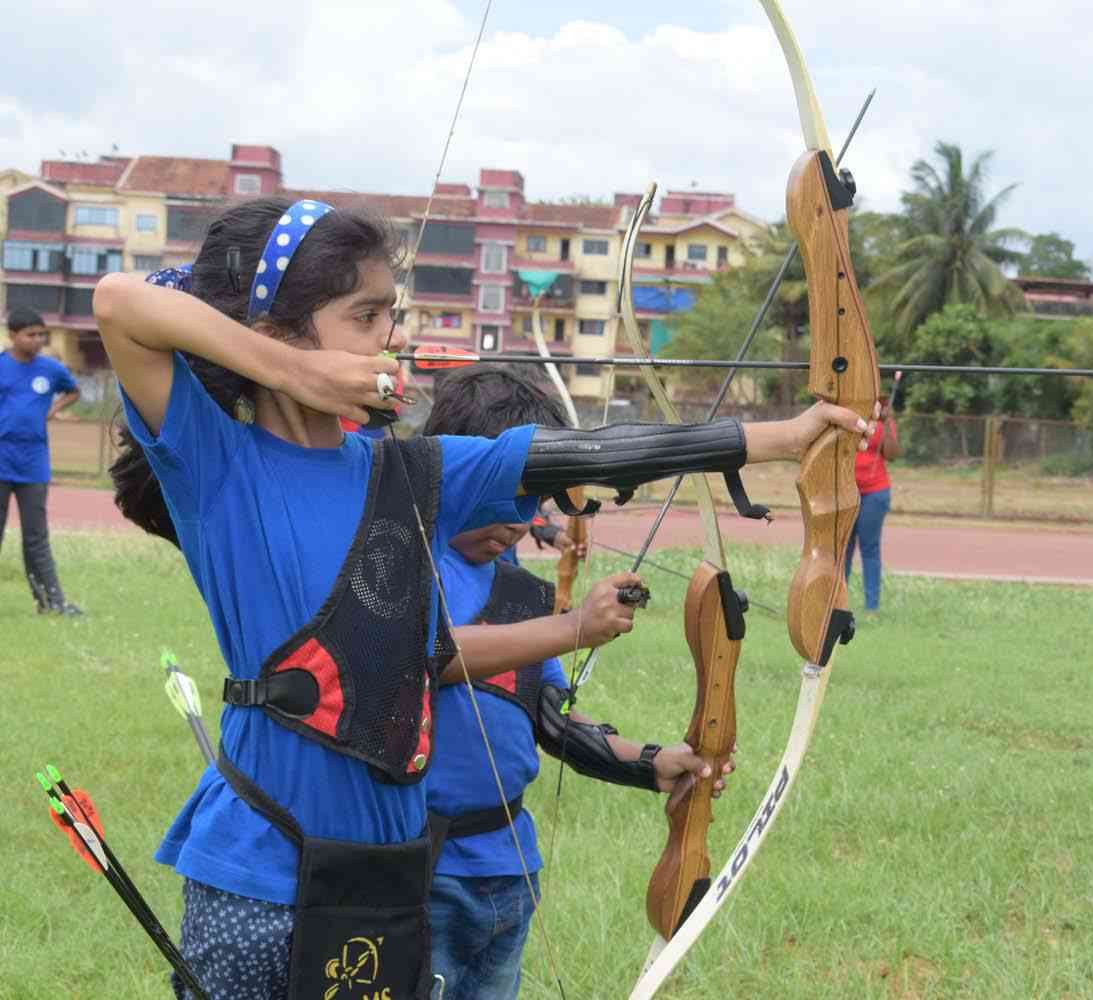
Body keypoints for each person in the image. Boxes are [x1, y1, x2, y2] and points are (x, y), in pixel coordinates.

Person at [94, 195, 871, 999]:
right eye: (365, 316)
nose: (390, 339)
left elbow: (586, 452)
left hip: (393, 881)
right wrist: (291, 371)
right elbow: (120, 305)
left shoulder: (416, 471)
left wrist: (780, 439)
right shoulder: (218, 463)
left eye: (392, 316)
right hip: (259, 876)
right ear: (283, 329)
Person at [418, 364, 731, 1000]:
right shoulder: (409, 565)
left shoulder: (519, 593)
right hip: (419, 874)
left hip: (508, 870)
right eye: (508, 493)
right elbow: (434, 655)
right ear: (455, 470)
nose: (521, 517)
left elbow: (553, 718)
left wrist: (653, 763)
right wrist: (575, 627)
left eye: (535, 496)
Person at [1, 307, 83, 615]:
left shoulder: (50, 369)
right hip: (1, 461)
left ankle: (52, 603)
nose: (37, 340)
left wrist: (52, 410)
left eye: (41, 334)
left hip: (33, 465)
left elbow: (73, 391)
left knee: (36, 538)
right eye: (30, 334)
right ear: (13, 335)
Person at [844, 388, 900, 618]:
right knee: (843, 550)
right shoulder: (847, 417)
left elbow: (893, 454)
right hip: (845, 492)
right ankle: (839, 605)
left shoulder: (883, 421)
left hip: (875, 494)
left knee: (869, 548)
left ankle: (871, 608)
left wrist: (887, 425)